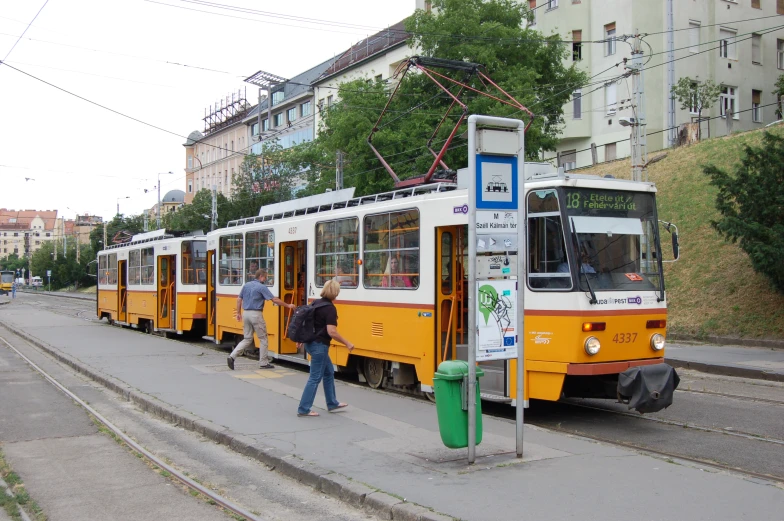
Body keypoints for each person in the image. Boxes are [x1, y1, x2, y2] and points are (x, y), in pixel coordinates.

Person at [297, 279, 354, 417]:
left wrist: (301, 339)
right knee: (315, 377)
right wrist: (347, 343)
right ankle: (304, 408)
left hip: (311, 344)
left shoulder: (316, 303)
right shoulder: (330, 309)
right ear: (335, 292)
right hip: (319, 346)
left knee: (328, 372)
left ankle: (332, 402)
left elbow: (306, 322)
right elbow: (331, 332)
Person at [228, 268, 296, 370]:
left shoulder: (246, 285)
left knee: (247, 338)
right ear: (261, 277)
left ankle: (232, 356)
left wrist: (238, 313)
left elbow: (239, 299)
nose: (266, 279)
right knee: (263, 339)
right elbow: (274, 299)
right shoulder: (261, 287)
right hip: (256, 314)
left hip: (245, 313)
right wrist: (288, 305)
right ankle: (263, 363)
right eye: (265, 277)